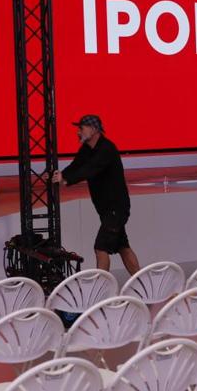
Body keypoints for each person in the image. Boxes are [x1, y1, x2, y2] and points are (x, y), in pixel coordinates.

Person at [60, 114, 140, 275]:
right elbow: (76, 166)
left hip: (116, 209)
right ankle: (144, 285)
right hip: (106, 210)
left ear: (94, 130)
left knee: (100, 247)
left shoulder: (106, 149)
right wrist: (60, 175)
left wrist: (68, 179)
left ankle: (102, 291)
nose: (78, 132)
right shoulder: (86, 149)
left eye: (81, 128)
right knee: (123, 247)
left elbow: (91, 168)